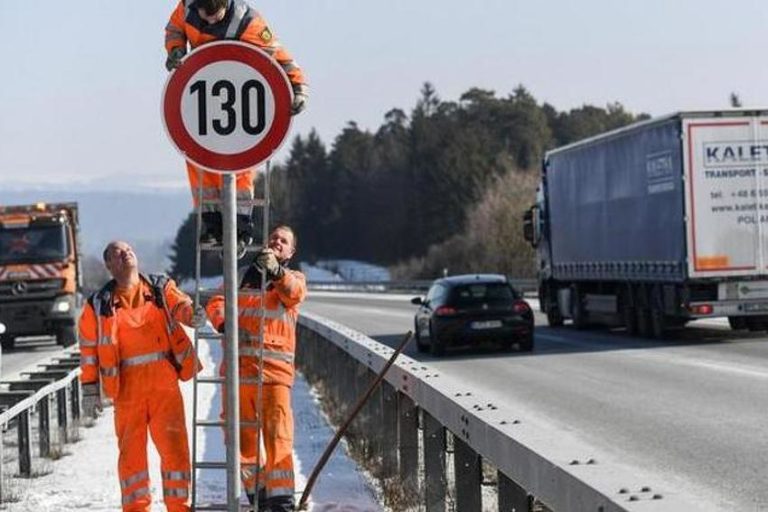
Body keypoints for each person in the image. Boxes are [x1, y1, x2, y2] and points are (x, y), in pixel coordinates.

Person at [164, 0, 309, 246]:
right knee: (198, 160)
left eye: (215, 16)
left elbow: (280, 55)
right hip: (203, 97)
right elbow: (174, 29)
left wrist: (298, 88)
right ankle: (211, 223)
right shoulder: (186, 7)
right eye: (204, 15)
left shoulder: (248, 22)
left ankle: (240, 227)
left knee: (240, 166)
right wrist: (176, 49)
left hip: (240, 101)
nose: (209, 20)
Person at [78, 241, 204, 512]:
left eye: (128, 249)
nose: (126, 253)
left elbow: (181, 305)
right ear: (109, 266)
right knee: (131, 459)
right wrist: (89, 389)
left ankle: (179, 507)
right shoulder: (97, 305)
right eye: (117, 253)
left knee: (175, 452)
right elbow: (88, 351)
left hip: (164, 386)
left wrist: (193, 316)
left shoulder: (159, 287)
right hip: (127, 391)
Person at [205, 225, 306, 512]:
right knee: (240, 442)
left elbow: (294, 293)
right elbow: (215, 302)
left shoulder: (293, 278)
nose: (277, 242)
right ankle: (259, 497)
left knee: (278, 439)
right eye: (274, 237)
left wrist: (276, 272)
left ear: (290, 252)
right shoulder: (239, 278)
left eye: (284, 241)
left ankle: (282, 501)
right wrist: (225, 323)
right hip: (239, 375)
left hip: (273, 376)